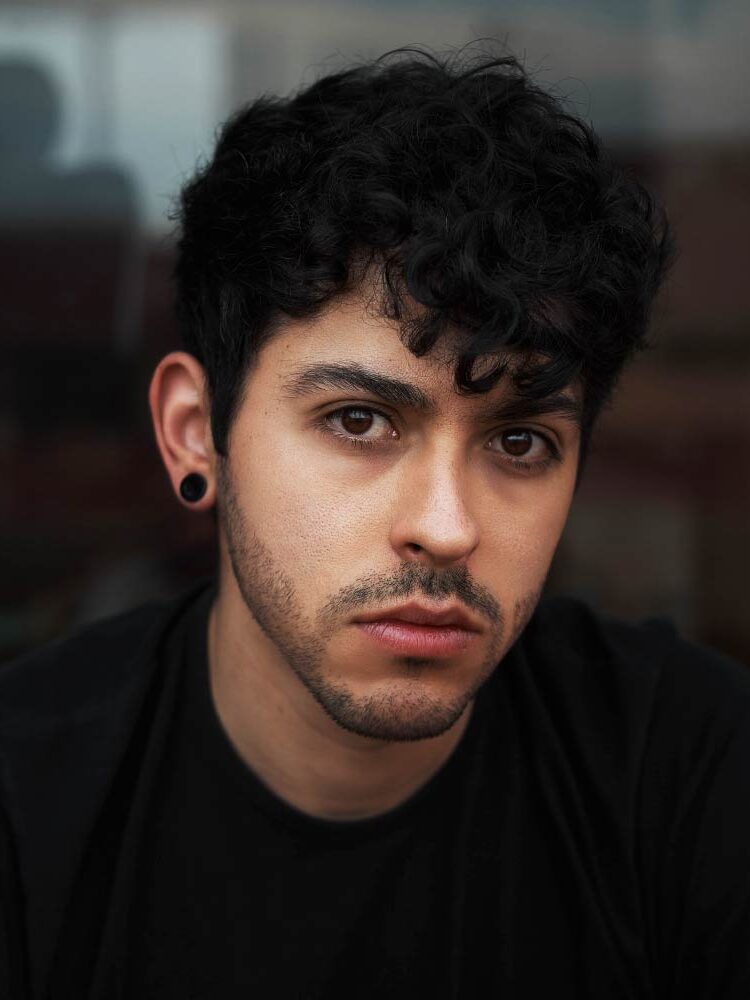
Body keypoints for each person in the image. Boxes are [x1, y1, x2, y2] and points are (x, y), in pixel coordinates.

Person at [1, 45, 749, 1000]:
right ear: (195, 434)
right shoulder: (27, 803)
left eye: (521, 442)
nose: (446, 528)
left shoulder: (688, 772)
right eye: (359, 421)